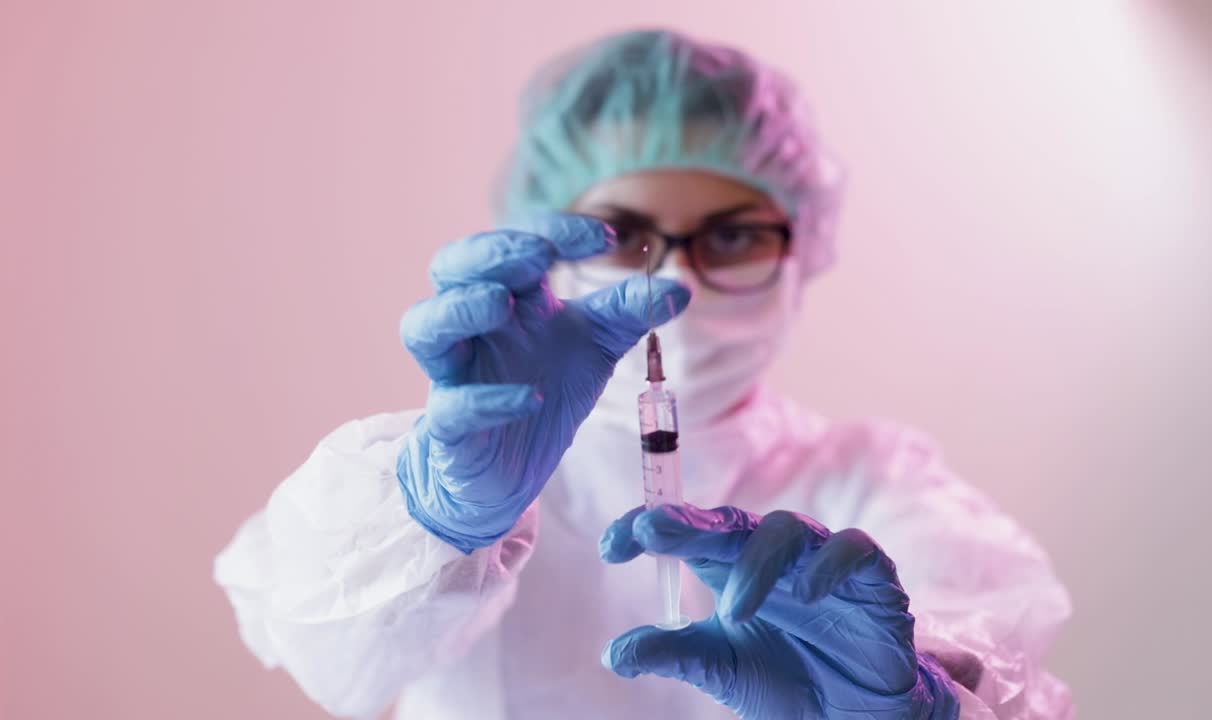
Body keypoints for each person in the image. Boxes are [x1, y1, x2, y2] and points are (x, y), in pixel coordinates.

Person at [213, 29, 1073, 720]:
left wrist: (912, 706)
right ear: (548, 239)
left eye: (731, 235)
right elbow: (323, 656)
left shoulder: (876, 486)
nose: (678, 282)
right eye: (628, 236)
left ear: (801, 246)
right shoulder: (474, 466)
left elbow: (1005, 677)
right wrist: (444, 519)